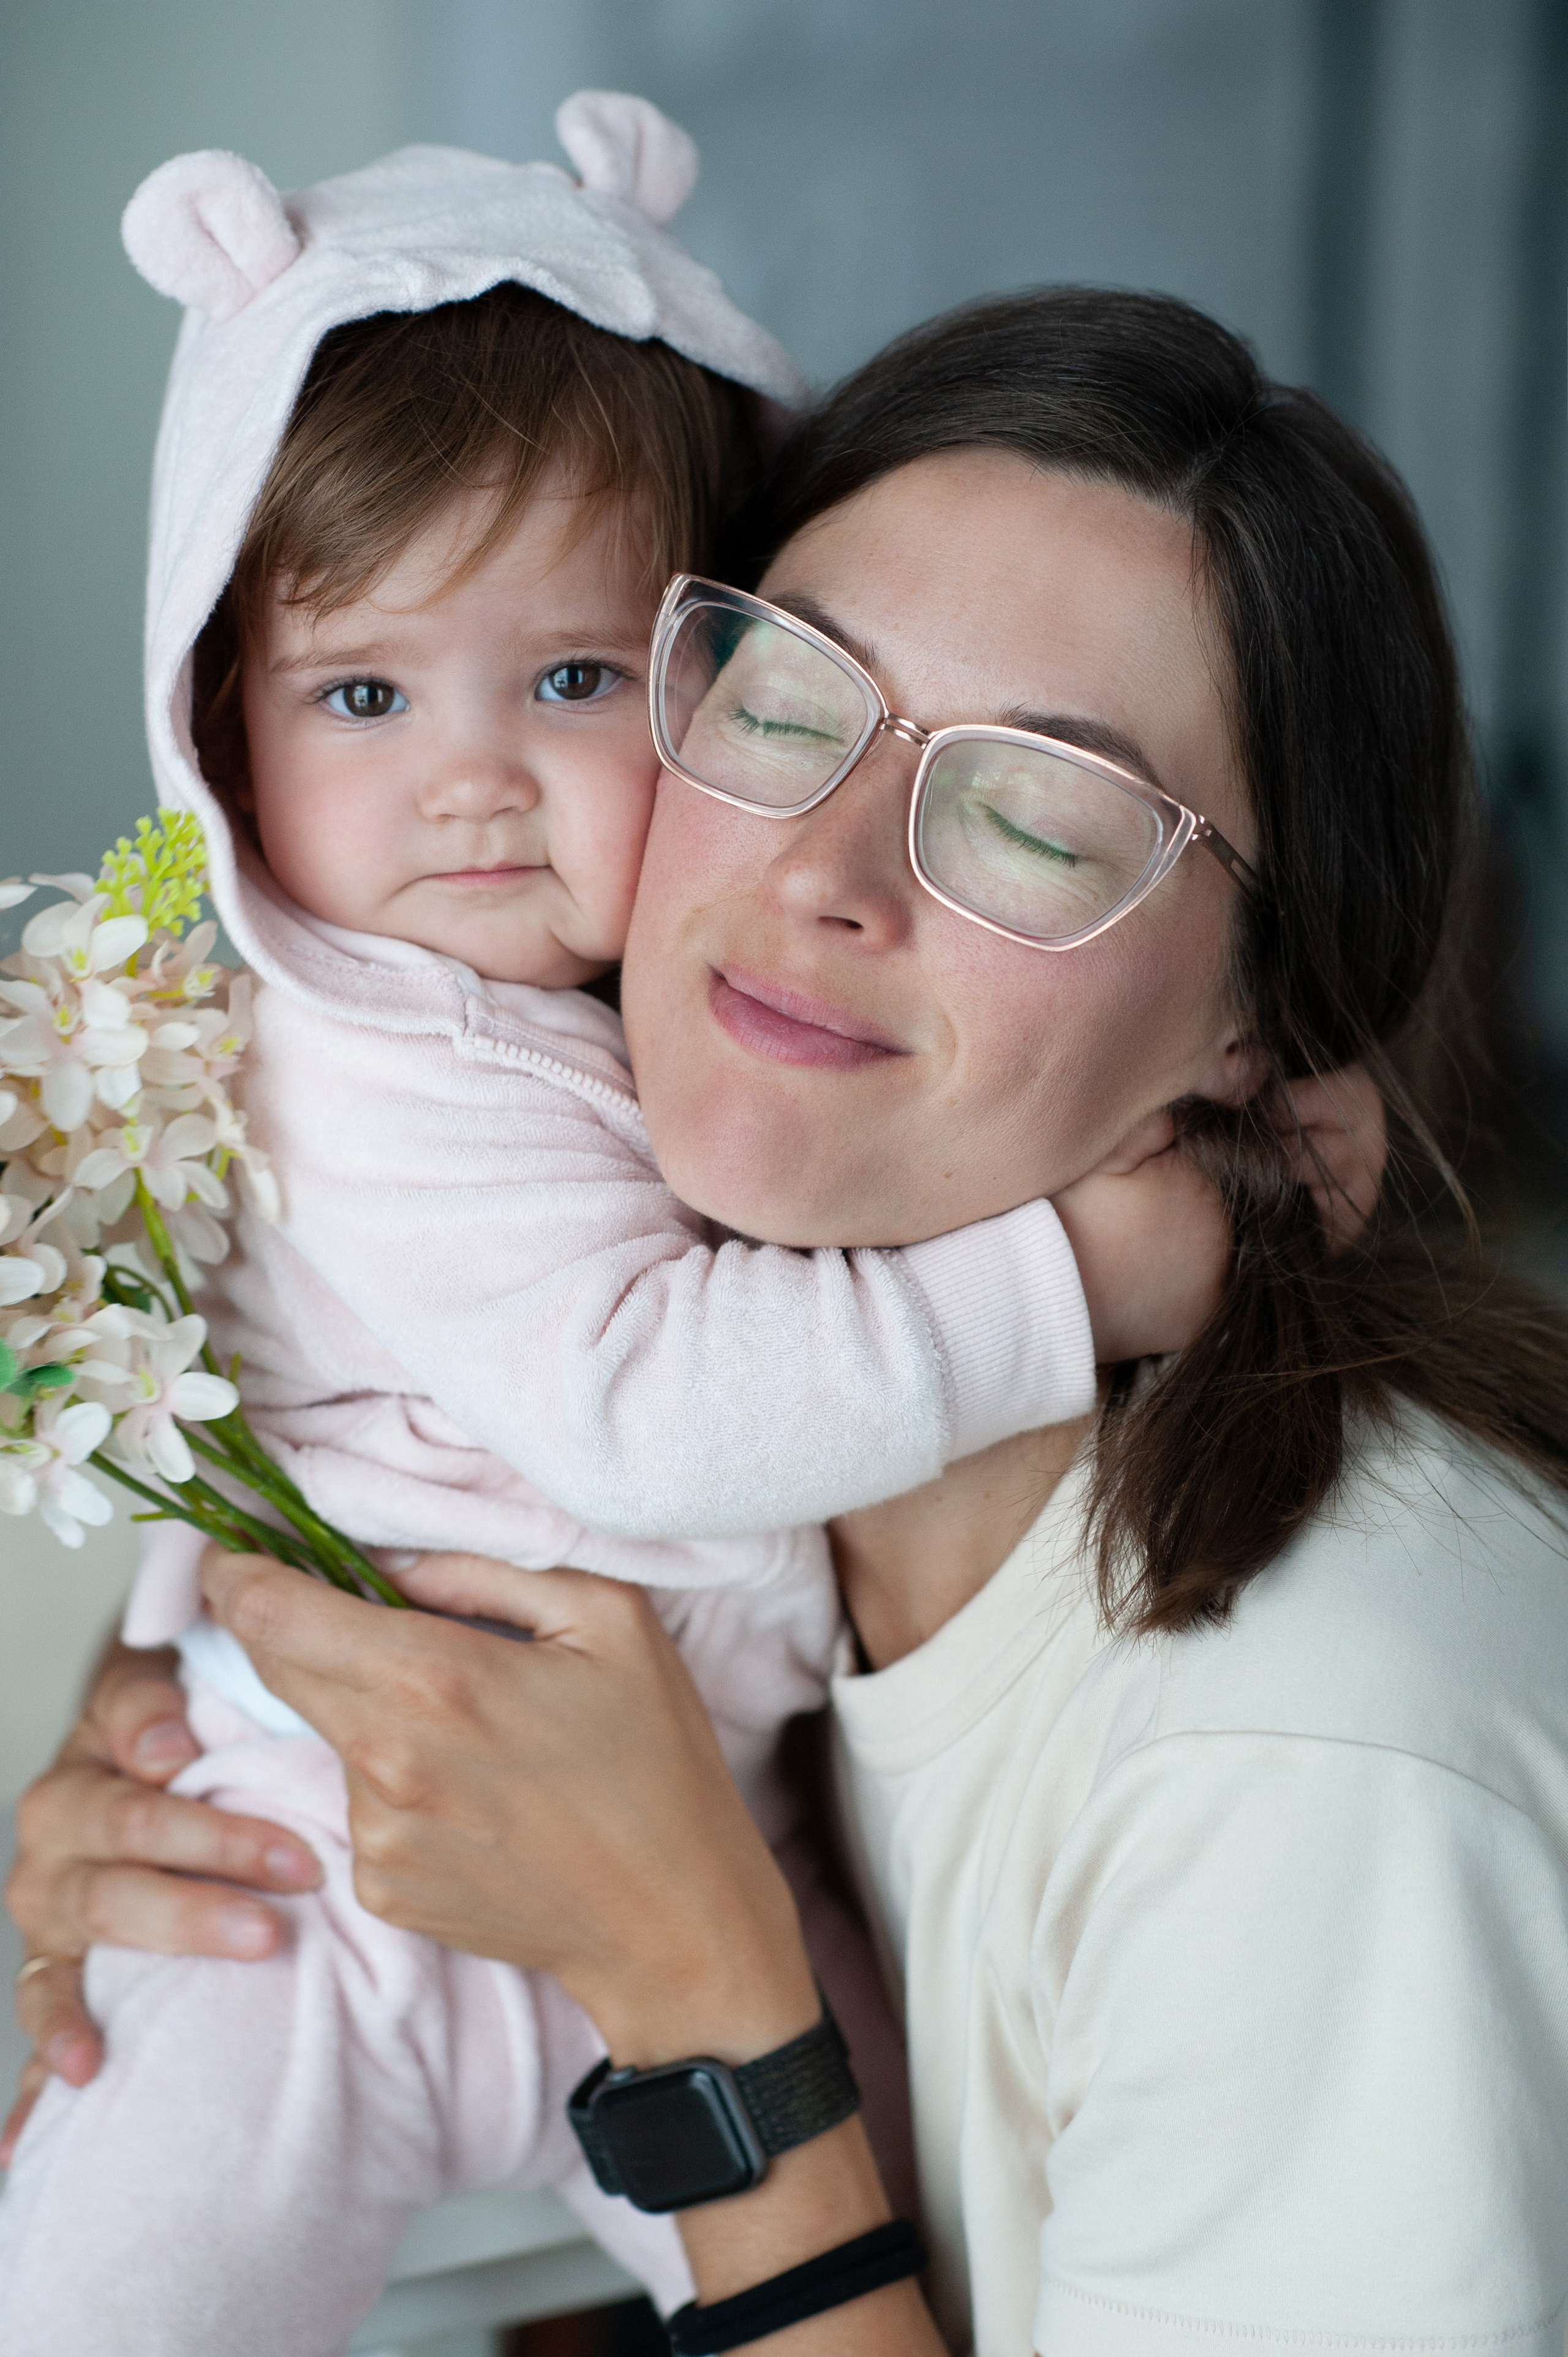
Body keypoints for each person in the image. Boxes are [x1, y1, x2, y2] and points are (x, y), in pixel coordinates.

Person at [13, 284, 1558, 2353]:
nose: (830, 870)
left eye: (1034, 814)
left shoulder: (1318, 1760)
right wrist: (176, 1721)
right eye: (782, 699)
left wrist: (708, 2010)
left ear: (1266, 1011)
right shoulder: (759, 1421)